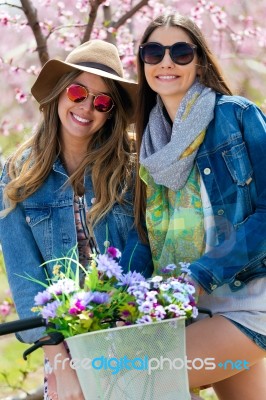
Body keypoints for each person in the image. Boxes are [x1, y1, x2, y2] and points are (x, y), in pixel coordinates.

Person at [0, 39, 153, 400]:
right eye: (77, 91)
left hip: (128, 331)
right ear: (58, 93)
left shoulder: (131, 171)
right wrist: (58, 358)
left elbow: (141, 249)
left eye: (102, 101)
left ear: (111, 112)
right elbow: (26, 278)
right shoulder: (15, 177)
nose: (87, 107)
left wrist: (122, 327)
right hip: (61, 341)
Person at [134, 13, 266, 400]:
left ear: (201, 60)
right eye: (153, 52)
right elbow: (143, 235)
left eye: (180, 51)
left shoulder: (236, 116)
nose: (166, 62)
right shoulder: (148, 146)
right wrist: (121, 295)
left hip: (247, 299)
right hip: (190, 310)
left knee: (144, 378)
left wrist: (199, 276)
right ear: (142, 63)